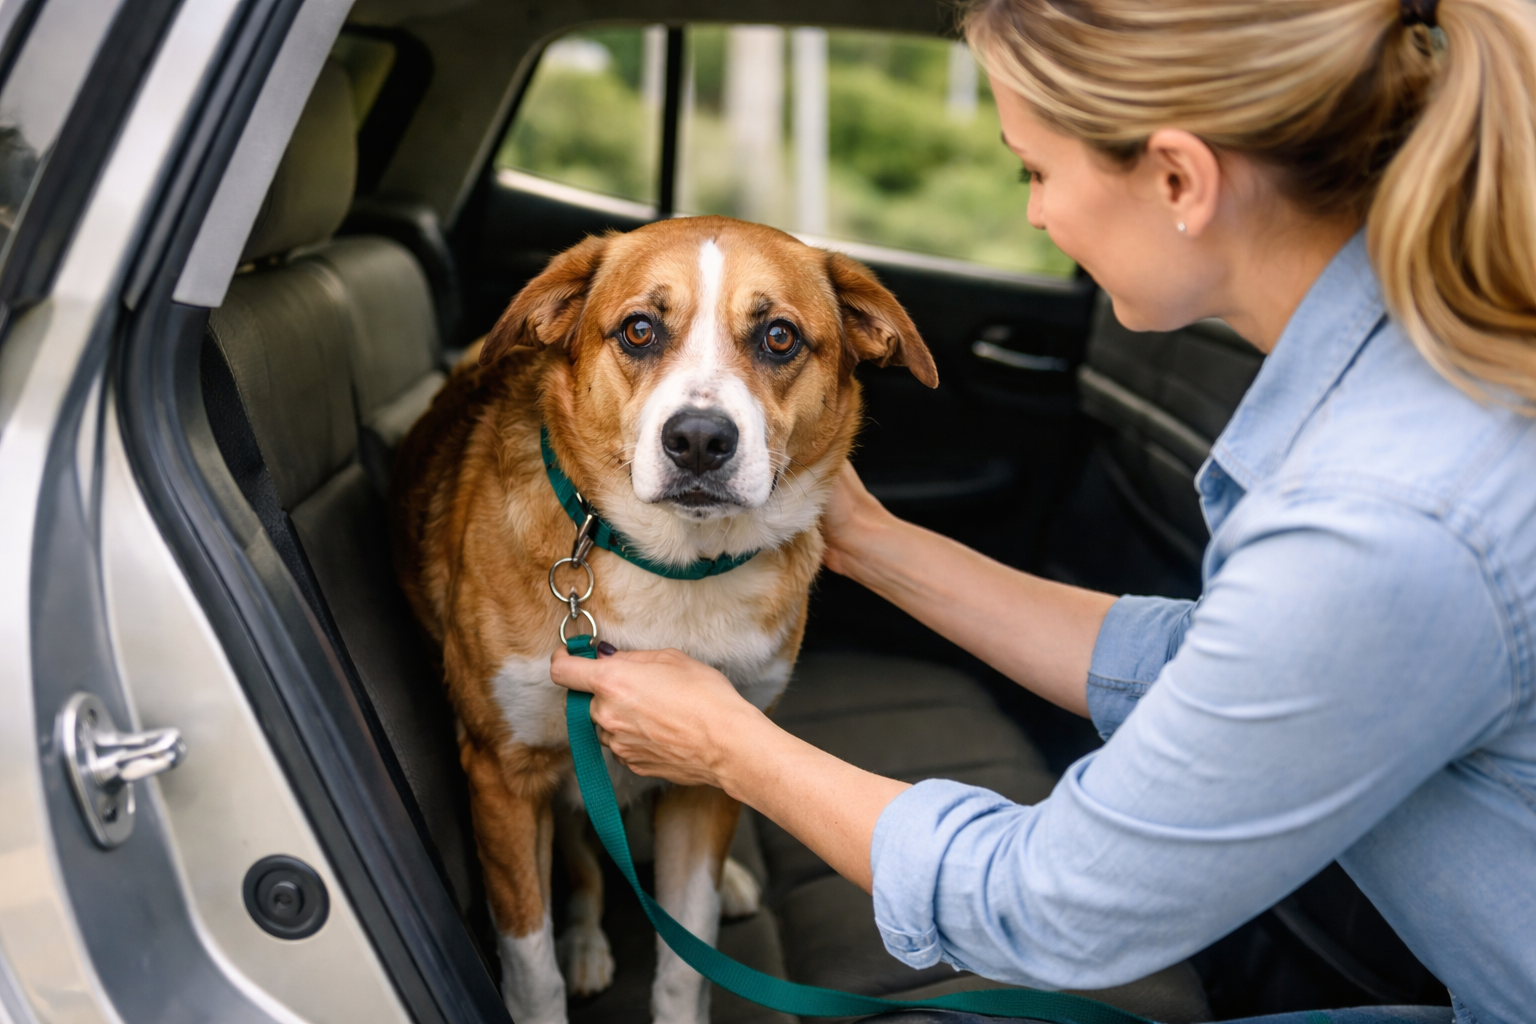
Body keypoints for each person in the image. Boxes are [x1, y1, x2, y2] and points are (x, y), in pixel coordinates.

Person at [551, 1, 1536, 1021]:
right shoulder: (1402, 409)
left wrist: (727, 746)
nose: (1033, 215)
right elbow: (1209, 667)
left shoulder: (1391, 513)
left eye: (1035, 170)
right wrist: (873, 543)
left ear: (1177, 180)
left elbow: (1051, 907)